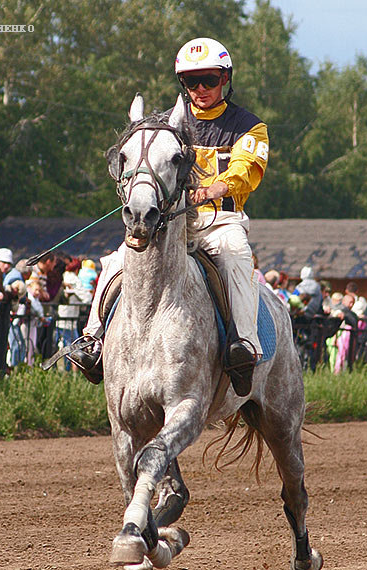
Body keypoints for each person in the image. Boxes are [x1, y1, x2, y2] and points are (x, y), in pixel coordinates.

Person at [71, 38, 270, 396]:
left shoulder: (249, 126)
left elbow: (247, 169)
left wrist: (214, 189)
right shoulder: (165, 126)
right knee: (117, 260)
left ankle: (244, 346)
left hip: (220, 223)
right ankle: (92, 341)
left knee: (238, 257)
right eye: (191, 82)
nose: (200, 89)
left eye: (208, 79)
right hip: (170, 223)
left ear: (224, 79)